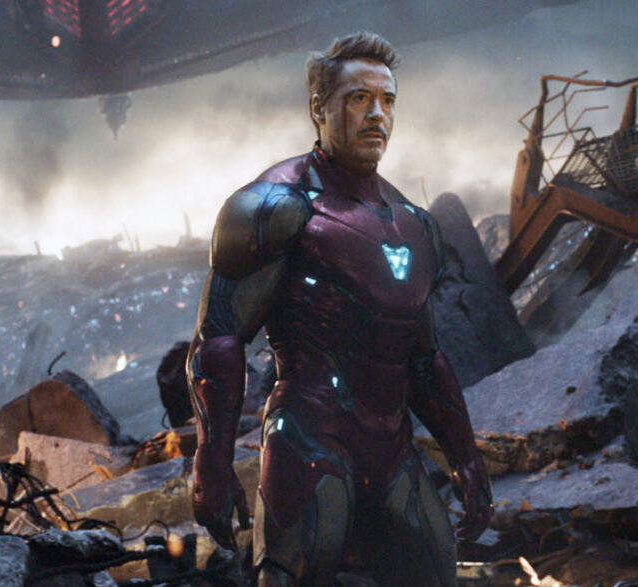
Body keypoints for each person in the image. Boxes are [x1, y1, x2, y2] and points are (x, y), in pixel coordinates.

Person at [186, 31, 492, 586]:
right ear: (318, 108)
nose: (377, 114)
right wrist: (212, 461)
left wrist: (465, 456)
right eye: (358, 99)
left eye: (388, 100)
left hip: (392, 448)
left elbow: (423, 358)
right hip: (309, 436)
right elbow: (220, 339)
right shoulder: (275, 207)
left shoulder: (415, 225)